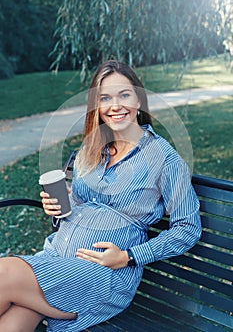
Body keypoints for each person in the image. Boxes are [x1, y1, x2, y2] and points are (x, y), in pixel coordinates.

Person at [0, 60, 202, 332]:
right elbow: (81, 205)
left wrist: (128, 257)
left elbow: (187, 229)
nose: (115, 106)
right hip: (56, 259)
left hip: (105, 275)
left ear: (139, 98)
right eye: (105, 98)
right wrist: (61, 207)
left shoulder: (163, 157)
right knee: (12, 323)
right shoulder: (93, 147)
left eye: (124, 95)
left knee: (3, 274)